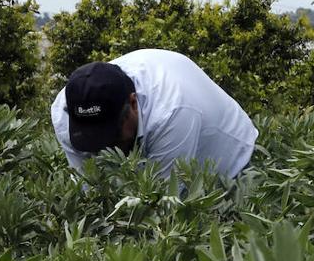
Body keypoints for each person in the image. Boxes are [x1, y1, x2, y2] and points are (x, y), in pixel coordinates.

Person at [50, 48, 258, 180]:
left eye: (111, 137)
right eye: (92, 138)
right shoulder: (63, 114)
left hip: (229, 160)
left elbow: (163, 203)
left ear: (133, 103)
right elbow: (89, 188)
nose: (106, 149)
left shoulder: (171, 112)